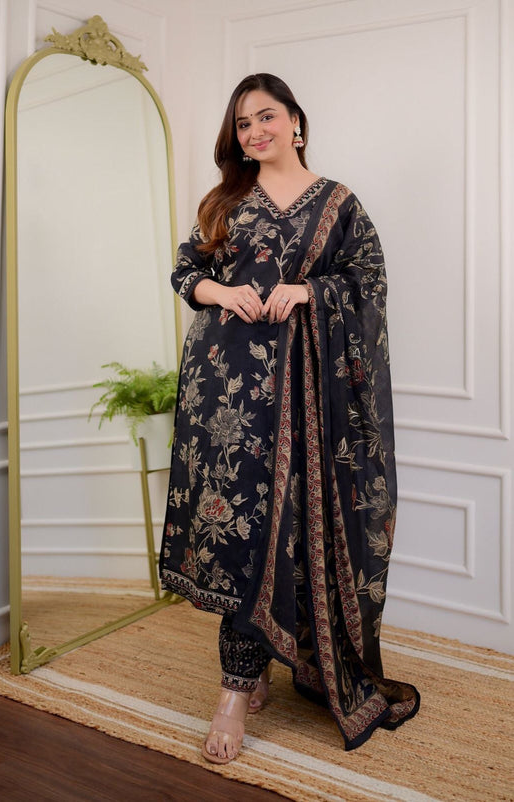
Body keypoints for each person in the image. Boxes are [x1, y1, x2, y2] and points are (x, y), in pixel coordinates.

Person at [159, 73, 419, 763]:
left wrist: (307, 291)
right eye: (243, 123)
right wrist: (222, 292)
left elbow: (368, 282)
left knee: (292, 532)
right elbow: (185, 271)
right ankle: (234, 689)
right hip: (228, 399)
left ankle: (261, 671)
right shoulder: (225, 201)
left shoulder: (338, 204)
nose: (254, 132)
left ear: (296, 122)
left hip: (309, 402)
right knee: (241, 536)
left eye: (266, 117)